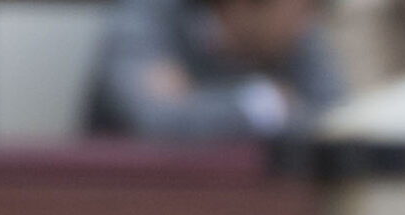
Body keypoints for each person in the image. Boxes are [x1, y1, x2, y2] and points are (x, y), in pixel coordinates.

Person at [86, 0, 348, 142]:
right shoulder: (148, 18)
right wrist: (265, 104)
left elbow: (336, 120)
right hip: (129, 211)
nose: (307, 24)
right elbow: (157, 122)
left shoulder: (295, 38)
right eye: (304, 9)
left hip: (249, 213)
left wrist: (193, 101)